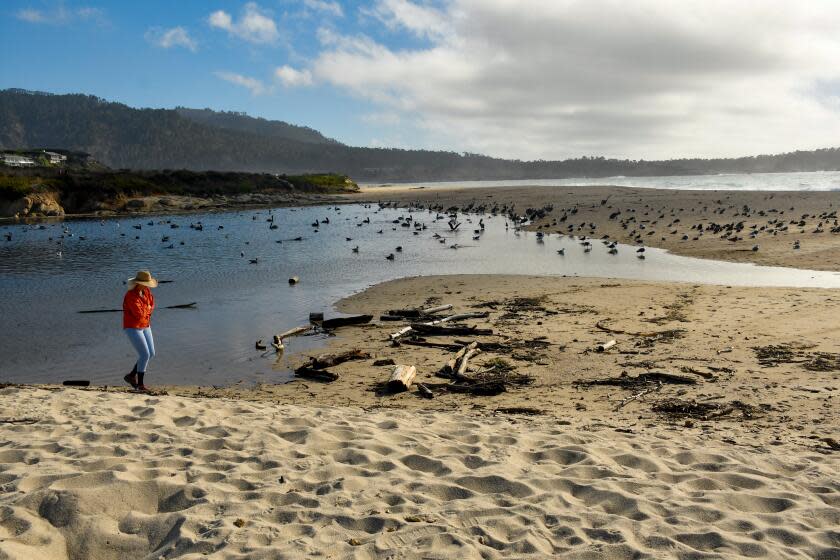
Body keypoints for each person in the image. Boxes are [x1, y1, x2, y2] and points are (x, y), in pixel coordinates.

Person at [123, 270, 157, 391]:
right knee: (144, 354)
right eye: (146, 283)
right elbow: (138, 314)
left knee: (151, 353)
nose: (148, 286)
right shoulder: (130, 295)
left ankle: (131, 376)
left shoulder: (146, 291)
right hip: (133, 327)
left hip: (146, 325)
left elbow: (152, 305)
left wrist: (147, 309)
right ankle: (140, 386)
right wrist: (147, 309)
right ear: (139, 283)